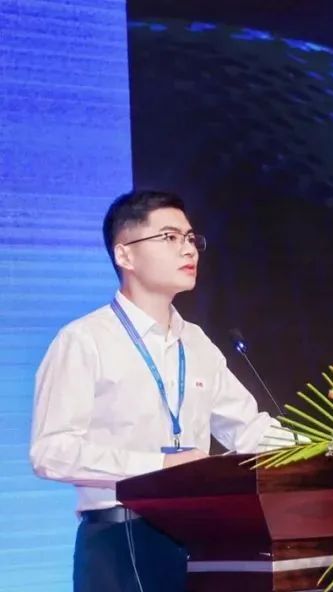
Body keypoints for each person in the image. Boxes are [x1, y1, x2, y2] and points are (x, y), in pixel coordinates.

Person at [29, 189, 285, 592]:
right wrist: (159, 467)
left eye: (191, 238)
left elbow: (249, 430)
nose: (189, 249)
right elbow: (51, 452)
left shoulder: (196, 342)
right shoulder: (83, 340)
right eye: (169, 237)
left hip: (199, 539)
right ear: (125, 255)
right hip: (118, 541)